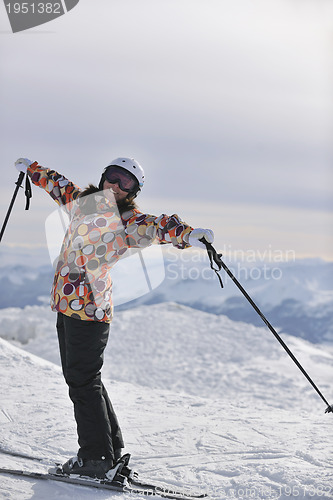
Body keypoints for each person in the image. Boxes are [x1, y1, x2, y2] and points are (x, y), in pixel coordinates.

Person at [14, 156, 214, 481]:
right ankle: (110, 451)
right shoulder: (83, 203)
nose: (117, 186)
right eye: (114, 177)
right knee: (85, 379)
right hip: (66, 305)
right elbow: (58, 184)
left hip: (90, 312)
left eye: (127, 183)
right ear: (104, 176)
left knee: (82, 382)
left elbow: (160, 225)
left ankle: (95, 458)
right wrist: (32, 170)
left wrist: (189, 235)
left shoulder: (128, 222)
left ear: (133, 191)